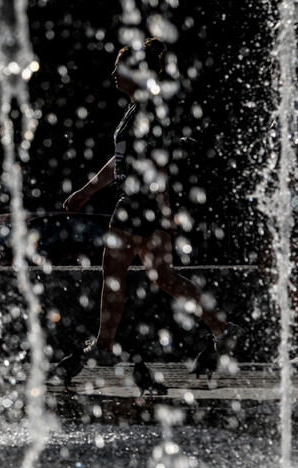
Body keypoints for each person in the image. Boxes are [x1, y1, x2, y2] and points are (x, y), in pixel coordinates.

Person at [60, 38, 244, 370]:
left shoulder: (147, 109)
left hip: (137, 202)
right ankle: (221, 327)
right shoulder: (137, 108)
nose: (113, 74)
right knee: (163, 275)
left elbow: (160, 162)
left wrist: (164, 206)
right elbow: (120, 163)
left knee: (113, 272)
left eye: (118, 69)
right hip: (147, 204)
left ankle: (103, 345)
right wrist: (87, 192)